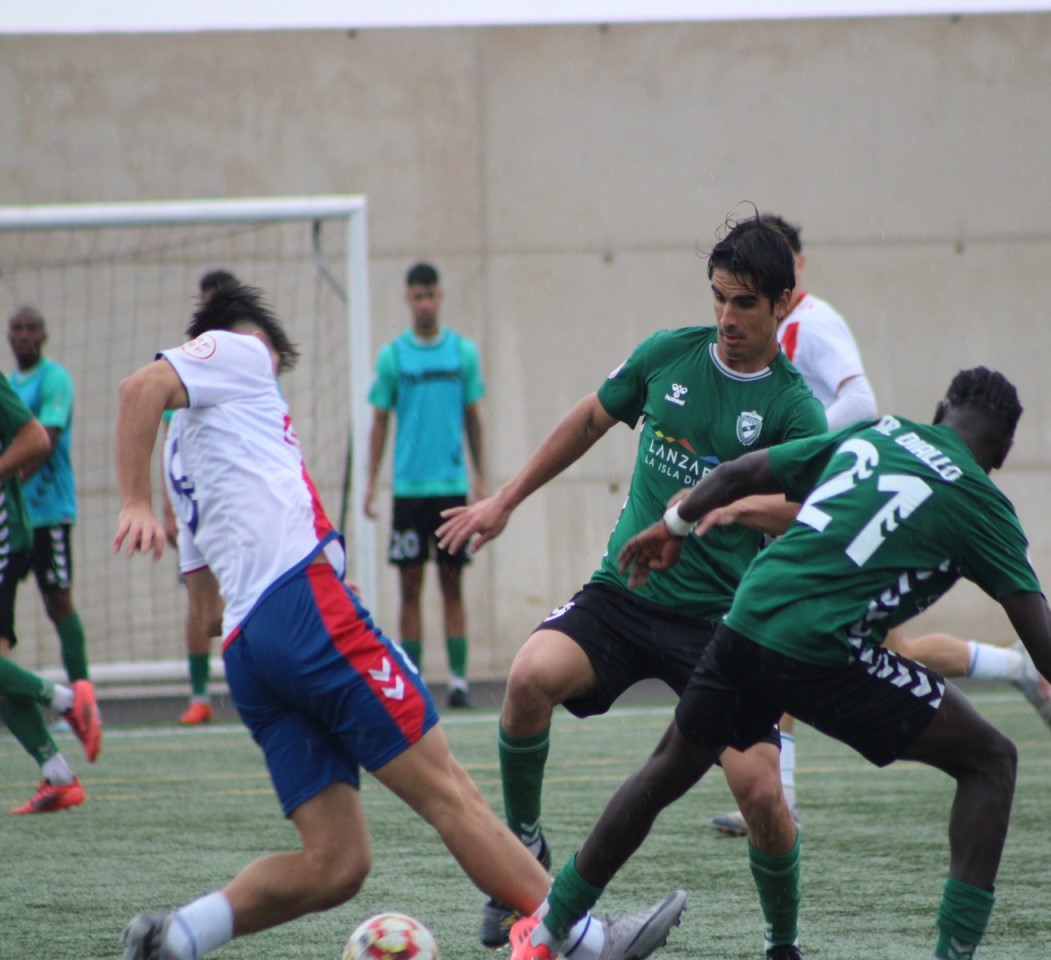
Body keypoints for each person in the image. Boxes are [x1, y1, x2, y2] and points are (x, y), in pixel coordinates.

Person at [511, 366, 1051, 960]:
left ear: (942, 411)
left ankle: (545, 932)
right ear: (999, 455)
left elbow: (742, 472)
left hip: (746, 616)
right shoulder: (983, 502)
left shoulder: (884, 431)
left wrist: (673, 525)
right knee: (991, 761)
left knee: (667, 770)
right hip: (819, 652)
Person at [114, 285, 684, 960]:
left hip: (249, 651)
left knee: (337, 862)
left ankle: (175, 937)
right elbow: (137, 387)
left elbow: (205, 615)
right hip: (304, 609)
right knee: (448, 788)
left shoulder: (188, 454)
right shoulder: (238, 352)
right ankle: (587, 940)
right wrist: (132, 503)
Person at [436, 214, 828, 960]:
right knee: (526, 681)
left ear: (783, 303)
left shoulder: (792, 407)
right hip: (623, 596)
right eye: (718, 298)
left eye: (745, 303)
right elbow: (588, 420)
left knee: (765, 800)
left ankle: (783, 943)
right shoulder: (667, 356)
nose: (726, 317)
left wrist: (740, 505)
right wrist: (505, 500)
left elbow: (820, 506)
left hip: (722, 624)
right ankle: (524, 854)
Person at [707, 215, 1051, 838]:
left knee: (786, 633)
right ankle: (1012, 669)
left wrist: (808, 449)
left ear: (790, 277)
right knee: (888, 649)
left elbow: (860, 402)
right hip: (831, 498)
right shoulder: (764, 332)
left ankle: (778, 793)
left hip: (840, 501)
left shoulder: (814, 323)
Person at [365, 261, 486, 708]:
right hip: (408, 490)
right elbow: (379, 421)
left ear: (440, 296)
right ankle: (412, 680)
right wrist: (370, 483)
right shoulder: (393, 357)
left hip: (450, 487)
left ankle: (458, 681)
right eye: (417, 296)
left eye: (430, 294)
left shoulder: (462, 353)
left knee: (452, 584)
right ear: (407, 298)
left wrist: (481, 477)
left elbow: (475, 418)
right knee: (409, 586)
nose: (425, 303)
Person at [0, 371, 101, 814]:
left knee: (60, 601)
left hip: (5, 535)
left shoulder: (44, 382)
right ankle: (58, 775)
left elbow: (36, 439)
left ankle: (66, 699)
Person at [161, 270, 237, 725]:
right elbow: (168, 435)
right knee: (203, 611)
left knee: (250, 597)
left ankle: (263, 681)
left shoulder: (252, 364)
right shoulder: (182, 368)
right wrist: (164, 507)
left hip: (238, 510)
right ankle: (199, 694)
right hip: (197, 509)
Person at [7, 306, 95, 699]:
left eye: (31, 329)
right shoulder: (9, 383)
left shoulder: (54, 379)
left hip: (49, 512)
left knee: (58, 599)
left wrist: (9, 482)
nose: (24, 335)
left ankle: (83, 695)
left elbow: (46, 439)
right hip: (12, 520)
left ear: (44, 336)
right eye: (17, 329)